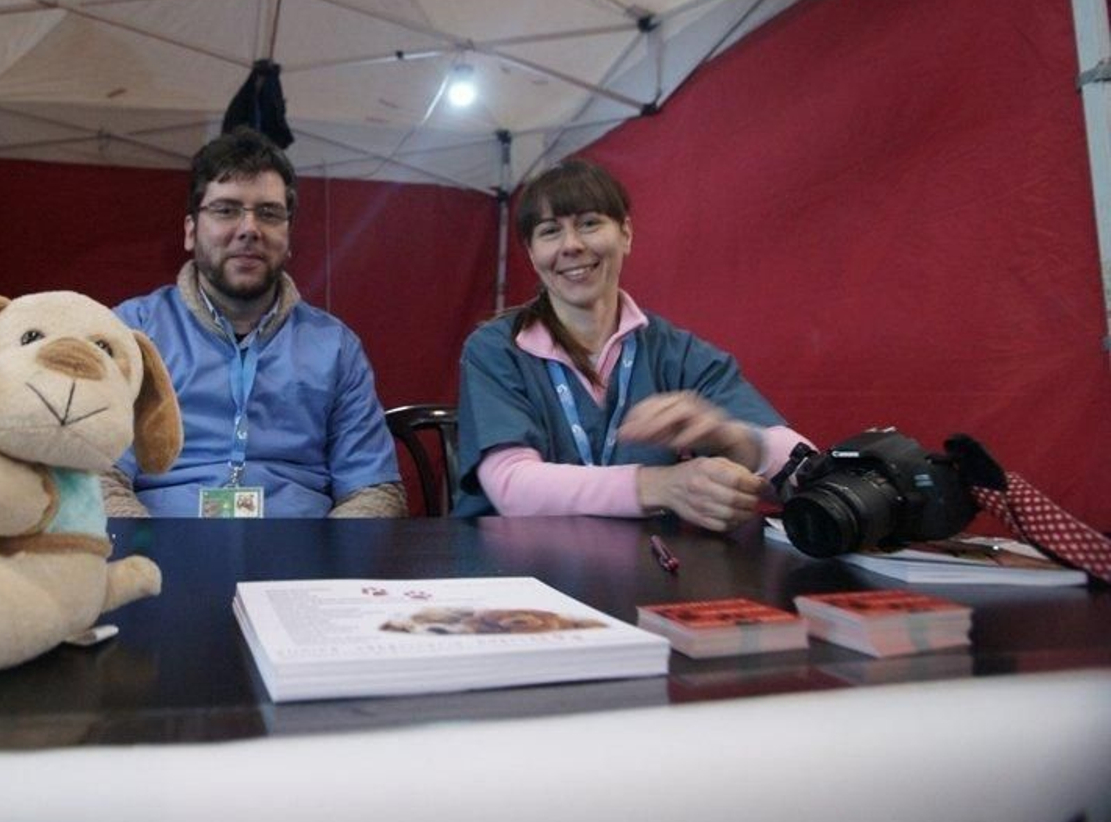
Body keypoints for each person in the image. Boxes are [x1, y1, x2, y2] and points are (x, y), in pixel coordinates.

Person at [455, 160, 807, 530]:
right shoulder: (495, 349)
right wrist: (661, 486)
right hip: (517, 572)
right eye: (550, 231)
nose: (571, 245)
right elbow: (511, 485)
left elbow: (803, 468)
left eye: (589, 223)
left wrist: (732, 440)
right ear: (530, 252)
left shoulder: (676, 351)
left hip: (649, 570)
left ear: (625, 233)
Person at [103, 129, 405, 518]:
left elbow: (374, 490)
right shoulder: (131, 332)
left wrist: (324, 570)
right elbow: (97, 474)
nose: (249, 229)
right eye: (226, 210)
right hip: (164, 553)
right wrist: (151, 558)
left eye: (268, 213)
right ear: (191, 231)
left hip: (302, 561)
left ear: (289, 235)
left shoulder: (335, 347)